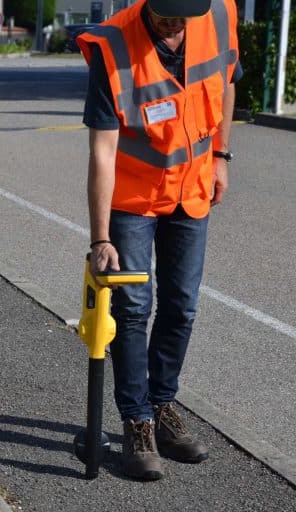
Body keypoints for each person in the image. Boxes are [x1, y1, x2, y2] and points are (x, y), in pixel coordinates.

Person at [76, 0, 242, 481]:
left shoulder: (217, 16)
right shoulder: (112, 47)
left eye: (182, 17)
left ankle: (163, 403)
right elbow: (102, 151)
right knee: (132, 309)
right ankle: (137, 420)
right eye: (165, 16)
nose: (174, 27)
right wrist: (100, 237)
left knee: (182, 306)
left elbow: (227, 81)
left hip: (191, 191)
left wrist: (221, 155)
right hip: (132, 198)